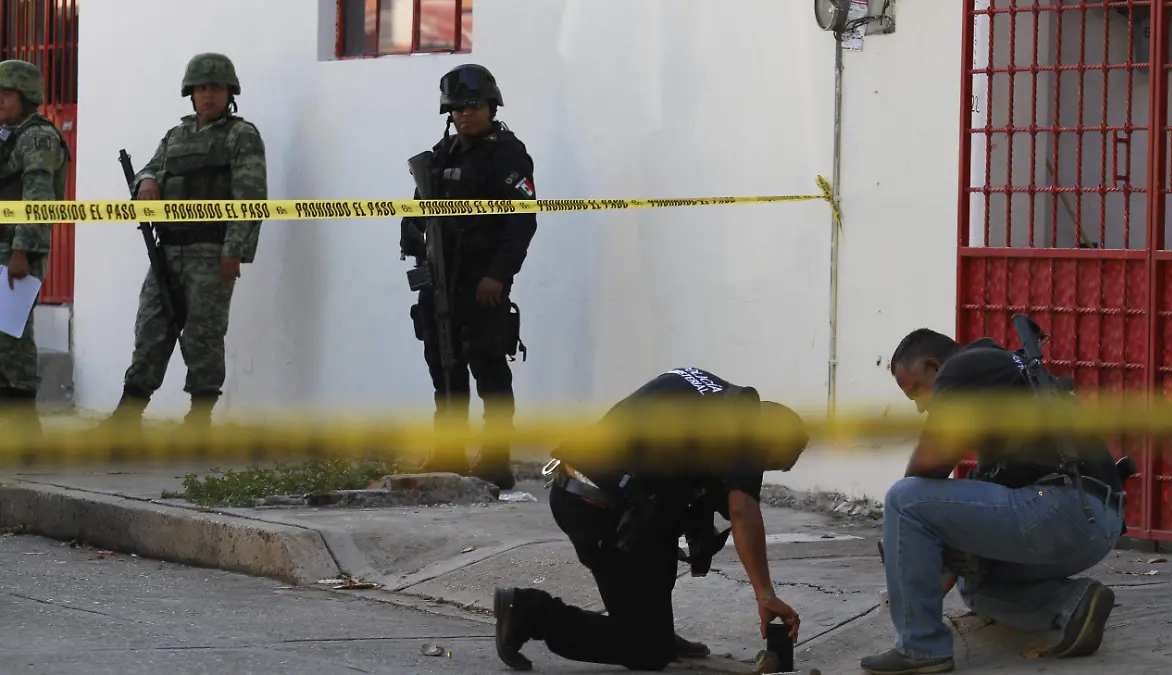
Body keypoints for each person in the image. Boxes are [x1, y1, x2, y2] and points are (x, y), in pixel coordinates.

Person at [492, 366, 808, 671]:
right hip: (598, 508)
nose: (756, 472)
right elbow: (742, 511)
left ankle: (657, 629)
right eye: (767, 464)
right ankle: (528, 611)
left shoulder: (709, 391)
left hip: (586, 491)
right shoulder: (750, 430)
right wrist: (765, 594)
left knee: (663, 530)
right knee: (648, 649)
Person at [861, 329, 1126, 675]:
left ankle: (920, 648)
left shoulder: (962, 368)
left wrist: (904, 541)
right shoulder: (1003, 372)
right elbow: (988, 498)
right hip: (1095, 525)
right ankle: (1074, 603)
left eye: (915, 391)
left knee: (903, 499)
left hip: (1061, 506)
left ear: (933, 366)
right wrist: (948, 555)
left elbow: (930, 463)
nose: (920, 406)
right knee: (977, 585)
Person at [102, 53, 267, 430]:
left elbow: (251, 194)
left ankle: (200, 417)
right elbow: (149, 168)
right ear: (190, 93)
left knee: (203, 334)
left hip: (211, 250)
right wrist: (146, 181)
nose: (208, 95)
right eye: (201, 88)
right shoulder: (176, 136)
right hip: (168, 249)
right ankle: (128, 414)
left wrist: (235, 249)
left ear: (229, 93)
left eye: (216, 88)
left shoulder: (241, 136)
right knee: (151, 328)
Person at [400, 64, 536, 491]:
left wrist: (498, 275)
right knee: (444, 367)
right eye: (457, 108)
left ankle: (495, 460)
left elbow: (521, 221)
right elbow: (418, 210)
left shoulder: (507, 155)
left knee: (489, 370)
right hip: (441, 280)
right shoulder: (442, 155)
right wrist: (413, 239)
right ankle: (449, 451)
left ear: (492, 107)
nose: (465, 114)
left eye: (473, 106)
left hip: (482, 282)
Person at [0, 59, 71, 440]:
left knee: (10, 336)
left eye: (6, 93)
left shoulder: (38, 137)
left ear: (26, 95)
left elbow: (38, 197)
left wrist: (22, 251)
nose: (0, 100)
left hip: (15, 250)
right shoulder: (7, 134)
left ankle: (25, 428)